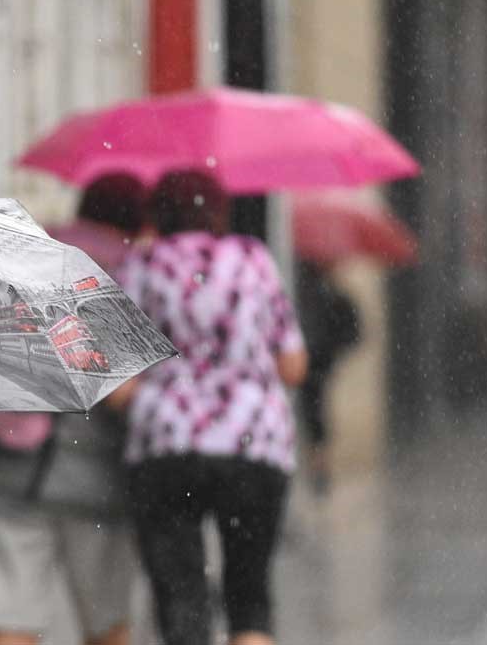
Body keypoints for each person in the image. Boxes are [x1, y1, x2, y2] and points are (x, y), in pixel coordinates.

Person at [113, 170, 307, 645]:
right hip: (255, 441)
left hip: (167, 443)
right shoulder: (254, 259)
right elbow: (294, 366)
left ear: (157, 213)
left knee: (182, 603)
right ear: (218, 210)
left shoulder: (140, 266)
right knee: (251, 597)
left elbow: (116, 388)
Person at [0, 173, 147, 645]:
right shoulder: (132, 271)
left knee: (12, 627)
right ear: (138, 222)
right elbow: (129, 388)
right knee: (108, 627)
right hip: (96, 479)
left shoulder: (19, 254)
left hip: (4, 472)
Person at [294, 260, 360, 493]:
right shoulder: (311, 293)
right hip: (311, 362)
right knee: (314, 413)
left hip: (316, 364)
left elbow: (352, 330)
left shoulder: (328, 296)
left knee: (314, 412)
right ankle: (316, 463)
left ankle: (317, 464)